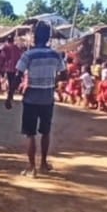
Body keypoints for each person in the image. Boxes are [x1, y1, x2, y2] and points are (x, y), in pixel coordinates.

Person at [15, 23, 66, 177]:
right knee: (45, 132)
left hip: (31, 98)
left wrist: (10, 95)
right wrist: (53, 82)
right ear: (48, 37)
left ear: (35, 36)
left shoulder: (28, 55)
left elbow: (18, 74)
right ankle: (43, 163)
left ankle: (32, 168)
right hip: (47, 98)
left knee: (30, 134)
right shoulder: (55, 55)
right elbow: (64, 74)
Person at [0, 36, 25, 110]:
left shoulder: (5, 47)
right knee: (13, 81)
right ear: (13, 40)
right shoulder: (16, 48)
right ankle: (11, 94)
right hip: (15, 67)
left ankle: (10, 95)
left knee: (10, 81)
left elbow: (3, 57)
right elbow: (20, 57)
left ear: (7, 40)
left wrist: (1, 66)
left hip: (8, 67)